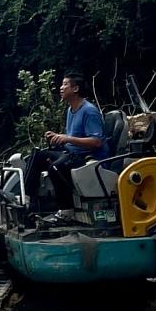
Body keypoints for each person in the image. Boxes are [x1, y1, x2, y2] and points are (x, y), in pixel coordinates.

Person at [24, 72, 108, 220]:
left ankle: (66, 211)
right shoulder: (70, 110)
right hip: (72, 152)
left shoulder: (89, 111)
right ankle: (27, 201)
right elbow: (73, 137)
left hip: (89, 156)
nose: (61, 88)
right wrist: (57, 136)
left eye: (65, 85)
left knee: (56, 167)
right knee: (38, 155)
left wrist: (66, 138)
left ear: (75, 89)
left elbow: (96, 141)